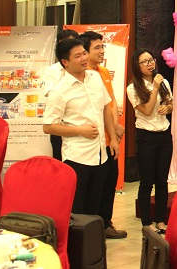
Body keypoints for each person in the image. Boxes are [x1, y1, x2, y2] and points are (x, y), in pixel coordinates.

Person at [42, 38, 119, 216]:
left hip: (101, 154)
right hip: (77, 158)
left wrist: (113, 138)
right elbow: (48, 126)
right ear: (65, 62)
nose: (84, 58)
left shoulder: (95, 78)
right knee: (78, 212)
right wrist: (79, 130)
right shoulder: (59, 91)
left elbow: (105, 109)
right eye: (77, 56)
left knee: (96, 207)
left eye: (84, 53)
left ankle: (98, 233)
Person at [79, 31, 127, 239]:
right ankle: (92, 227)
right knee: (93, 187)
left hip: (109, 140)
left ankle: (106, 223)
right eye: (97, 48)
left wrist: (115, 129)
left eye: (102, 47)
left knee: (109, 183)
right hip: (91, 142)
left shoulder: (104, 72)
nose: (101, 51)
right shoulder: (83, 75)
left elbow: (111, 103)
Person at [126, 49, 174, 233]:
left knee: (162, 180)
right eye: (145, 61)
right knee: (147, 181)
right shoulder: (133, 88)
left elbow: (170, 103)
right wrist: (154, 88)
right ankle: (146, 222)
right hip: (146, 136)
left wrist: (168, 108)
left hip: (164, 134)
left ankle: (161, 220)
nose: (150, 63)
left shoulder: (163, 82)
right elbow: (146, 111)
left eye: (151, 60)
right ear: (137, 67)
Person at [41, 28, 79, 161]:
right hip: (59, 125)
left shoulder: (88, 71)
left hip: (80, 125)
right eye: (64, 44)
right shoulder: (52, 70)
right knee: (60, 162)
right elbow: (50, 93)